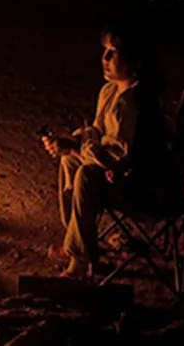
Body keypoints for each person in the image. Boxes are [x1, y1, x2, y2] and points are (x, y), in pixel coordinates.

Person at [41, 20, 170, 279]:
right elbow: (98, 131)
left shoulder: (134, 104)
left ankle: (79, 260)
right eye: (105, 51)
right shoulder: (110, 91)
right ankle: (77, 242)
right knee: (69, 162)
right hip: (118, 174)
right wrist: (72, 142)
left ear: (137, 61)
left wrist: (78, 149)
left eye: (114, 52)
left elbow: (118, 156)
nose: (105, 58)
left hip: (140, 185)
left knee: (86, 174)